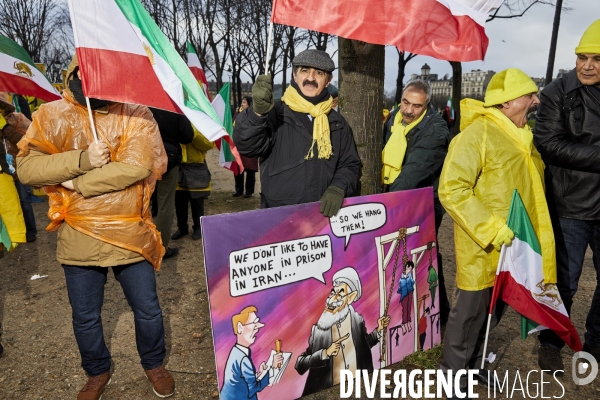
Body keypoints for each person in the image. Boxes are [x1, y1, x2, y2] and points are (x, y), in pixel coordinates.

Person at [16, 55, 175, 400]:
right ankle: (96, 371)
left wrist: (74, 183)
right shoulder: (51, 115)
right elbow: (28, 170)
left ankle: (154, 363)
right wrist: (82, 159)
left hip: (130, 233)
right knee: (85, 316)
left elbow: (137, 167)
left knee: (147, 309)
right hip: (79, 237)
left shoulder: (136, 114)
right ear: (75, 73)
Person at [438, 68, 554, 397]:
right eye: (528, 95)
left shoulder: (523, 136)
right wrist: (490, 229)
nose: (536, 100)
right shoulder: (477, 135)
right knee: (471, 311)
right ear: (506, 102)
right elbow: (453, 189)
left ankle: (474, 367)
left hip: (516, 245)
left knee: (495, 309)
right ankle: (452, 376)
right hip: (484, 245)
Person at [533, 19, 600, 371]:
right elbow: (547, 144)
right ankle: (551, 341)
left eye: (597, 59)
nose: (587, 65)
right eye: (582, 57)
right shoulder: (557, 91)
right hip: (570, 202)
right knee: (565, 282)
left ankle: (594, 347)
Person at [234, 49, 360, 217]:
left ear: (328, 80)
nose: (310, 78)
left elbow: (350, 164)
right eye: (304, 70)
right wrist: (257, 113)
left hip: (322, 218)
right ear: (295, 75)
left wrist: (338, 188)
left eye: (319, 73)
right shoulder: (274, 112)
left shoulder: (337, 122)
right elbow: (247, 145)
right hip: (279, 216)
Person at [382, 79, 451, 323]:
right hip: (396, 196)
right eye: (405, 103)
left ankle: (438, 314)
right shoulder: (393, 119)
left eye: (417, 106)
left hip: (423, 203)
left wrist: (385, 203)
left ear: (427, 105)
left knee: (424, 256)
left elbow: (414, 171)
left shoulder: (436, 129)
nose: (409, 110)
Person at [294, 267, 390, 396]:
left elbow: (364, 345)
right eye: (333, 292)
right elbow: (300, 364)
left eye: (340, 294)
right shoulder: (319, 330)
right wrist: (325, 353)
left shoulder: (357, 320)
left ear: (350, 298)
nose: (333, 299)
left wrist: (379, 330)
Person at [149, 107, 194, 258]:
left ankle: (139, 244)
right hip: (169, 159)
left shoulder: (143, 104)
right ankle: (161, 248)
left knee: (141, 201)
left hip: (145, 156)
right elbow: (188, 136)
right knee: (165, 205)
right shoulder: (173, 106)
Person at [220, 306, 283, 400]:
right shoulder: (242, 358)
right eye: (254, 325)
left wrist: (260, 374)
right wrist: (272, 369)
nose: (257, 329)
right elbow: (253, 389)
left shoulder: (236, 351)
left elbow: (242, 381)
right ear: (240, 327)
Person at [0, 93, 37, 243]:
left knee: (23, 200)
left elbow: (24, 140)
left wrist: (4, 127)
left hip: (17, 165)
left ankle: (29, 232)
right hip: (3, 169)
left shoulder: (16, 118)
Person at [171, 128, 215, 241]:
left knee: (197, 201)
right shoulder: (176, 122)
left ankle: (198, 228)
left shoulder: (199, 124)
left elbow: (209, 144)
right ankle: (182, 228)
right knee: (180, 200)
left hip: (196, 168)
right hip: (179, 167)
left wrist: (193, 134)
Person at [232, 96, 258, 198]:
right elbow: (234, 124)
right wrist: (237, 113)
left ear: (249, 104)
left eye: (244, 102)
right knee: (238, 168)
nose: (242, 104)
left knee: (250, 169)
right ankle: (239, 190)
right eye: (242, 102)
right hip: (239, 146)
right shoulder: (239, 114)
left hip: (251, 145)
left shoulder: (254, 115)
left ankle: (249, 191)